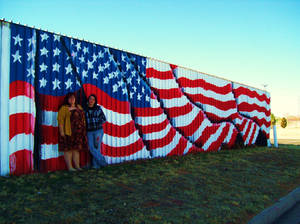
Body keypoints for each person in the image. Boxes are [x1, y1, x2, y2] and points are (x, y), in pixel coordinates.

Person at [57, 92, 88, 171]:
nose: (72, 99)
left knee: (76, 150)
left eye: (73, 98)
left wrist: (84, 130)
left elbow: (83, 118)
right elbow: (60, 121)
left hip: (78, 133)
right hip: (68, 132)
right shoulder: (64, 108)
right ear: (67, 100)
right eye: (70, 98)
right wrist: (62, 132)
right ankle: (70, 167)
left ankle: (77, 166)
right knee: (68, 150)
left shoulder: (79, 107)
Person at [85, 94, 107, 168]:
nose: (91, 101)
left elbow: (104, 119)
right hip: (89, 131)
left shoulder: (98, 109)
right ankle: (103, 162)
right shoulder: (85, 109)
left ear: (95, 101)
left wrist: (97, 122)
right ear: (88, 100)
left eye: (93, 99)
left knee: (97, 147)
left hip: (98, 131)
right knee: (91, 147)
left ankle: (95, 165)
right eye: (90, 99)